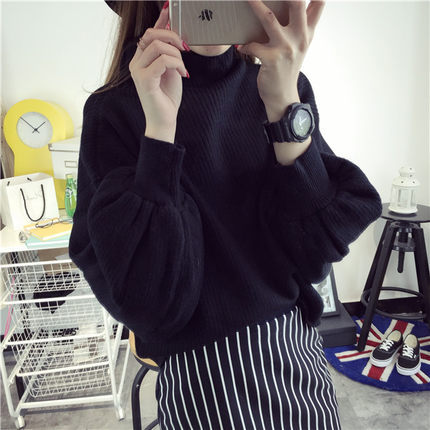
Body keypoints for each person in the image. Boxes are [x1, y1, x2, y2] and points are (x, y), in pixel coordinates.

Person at [69, 1, 382, 428]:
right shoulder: (116, 111)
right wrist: (159, 132)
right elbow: (151, 304)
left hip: (297, 362)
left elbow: (315, 256)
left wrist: (283, 104)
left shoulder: (281, 84)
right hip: (200, 384)